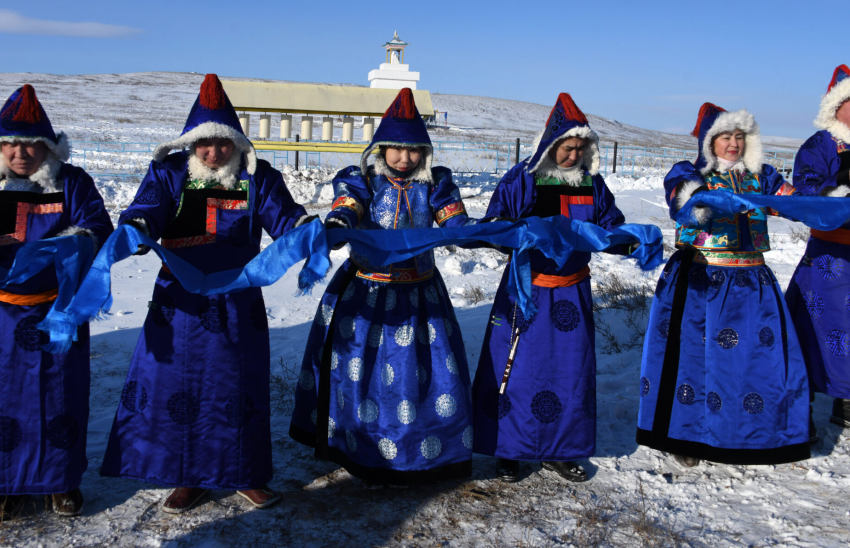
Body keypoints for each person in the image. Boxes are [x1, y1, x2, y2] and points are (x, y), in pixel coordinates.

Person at [100, 74, 310, 513]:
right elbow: (147, 211)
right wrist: (139, 227)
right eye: (204, 144)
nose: (213, 153)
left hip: (238, 303)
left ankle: (245, 472)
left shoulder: (259, 178)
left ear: (236, 143)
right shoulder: (169, 174)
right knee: (180, 386)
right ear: (190, 144)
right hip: (179, 304)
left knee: (239, 386)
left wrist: (306, 231)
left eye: (222, 143)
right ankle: (188, 476)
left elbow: (286, 219)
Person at [289, 88, 476, 487]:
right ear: (380, 147)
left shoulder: (436, 184)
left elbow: (455, 221)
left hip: (421, 294)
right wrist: (339, 225)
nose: (404, 159)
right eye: (396, 149)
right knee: (361, 372)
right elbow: (347, 208)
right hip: (367, 293)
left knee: (423, 375)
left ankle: (420, 452)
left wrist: (479, 234)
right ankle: (360, 446)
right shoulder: (365, 181)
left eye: (413, 152)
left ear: (425, 153)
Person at [636, 102, 810, 467]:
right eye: (725, 137)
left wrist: (828, 205)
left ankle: (759, 432)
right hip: (702, 280)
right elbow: (682, 204)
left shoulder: (762, 175)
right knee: (695, 361)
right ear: (709, 142)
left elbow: (793, 202)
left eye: (739, 136)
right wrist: (705, 203)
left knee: (755, 359)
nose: (733, 144)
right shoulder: (690, 173)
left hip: (752, 280)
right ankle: (688, 436)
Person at [470, 93, 628, 483]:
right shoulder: (522, 179)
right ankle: (509, 450)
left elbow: (611, 224)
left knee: (569, 371)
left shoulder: (592, 184)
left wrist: (628, 238)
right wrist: (515, 231)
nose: (573, 156)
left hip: (572, 292)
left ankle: (564, 449)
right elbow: (497, 223)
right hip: (525, 289)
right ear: (550, 145)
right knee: (517, 370)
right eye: (566, 148)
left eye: (579, 149)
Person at [0, 85, 113, 516]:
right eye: (10, 143)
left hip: (57, 310)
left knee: (58, 396)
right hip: (2, 313)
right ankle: (5, 481)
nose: (20, 153)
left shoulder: (73, 183)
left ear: (48, 147)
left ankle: (60, 481)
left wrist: (68, 246)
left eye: (31, 144)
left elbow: (97, 228)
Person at [787, 64, 850, 430]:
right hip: (829, 257)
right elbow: (805, 193)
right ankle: (801, 406)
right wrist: (839, 181)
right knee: (813, 327)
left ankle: (846, 400)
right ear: (836, 106)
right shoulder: (819, 145)